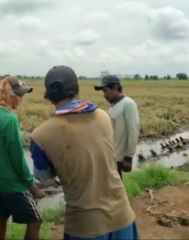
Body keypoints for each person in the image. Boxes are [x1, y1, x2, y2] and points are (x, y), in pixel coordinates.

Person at [31, 66, 139, 240]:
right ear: (77, 89)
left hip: (85, 226)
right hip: (122, 216)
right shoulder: (104, 117)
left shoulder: (40, 136)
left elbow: (45, 177)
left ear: (48, 96)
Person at [0, 76, 45, 240]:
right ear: (9, 94)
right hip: (10, 183)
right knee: (35, 220)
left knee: (2, 216)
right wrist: (30, 184)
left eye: (22, 94)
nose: (21, 98)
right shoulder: (10, 119)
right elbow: (17, 157)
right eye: (18, 94)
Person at [94, 75, 139, 179]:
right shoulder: (114, 106)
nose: (104, 95)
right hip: (112, 157)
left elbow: (133, 132)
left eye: (105, 91)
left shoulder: (128, 104)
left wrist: (129, 157)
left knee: (117, 190)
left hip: (120, 158)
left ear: (115, 88)